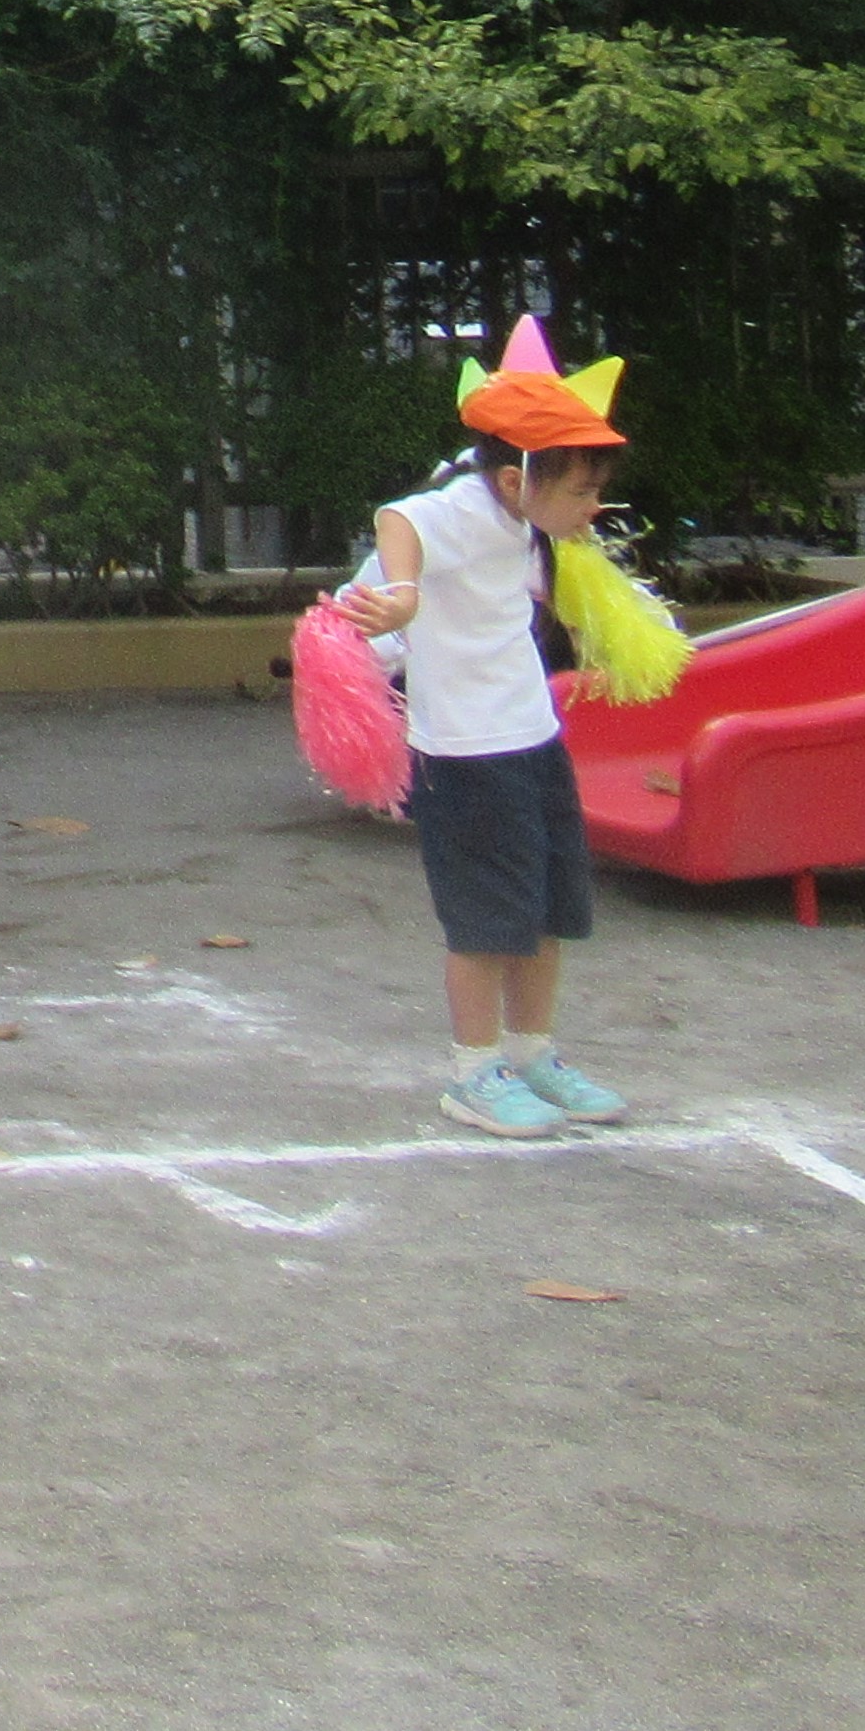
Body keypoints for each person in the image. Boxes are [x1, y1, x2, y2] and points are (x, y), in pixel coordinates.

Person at [335, 317, 637, 1142]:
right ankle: (473, 1073)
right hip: (466, 757)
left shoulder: (521, 527)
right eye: (578, 488)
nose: (591, 503)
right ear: (512, 480)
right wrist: (399, 593)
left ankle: (532, 1054)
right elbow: (396, 517)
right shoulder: (465, 510)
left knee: (544, 907)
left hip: (530, 742)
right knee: (482, 922)